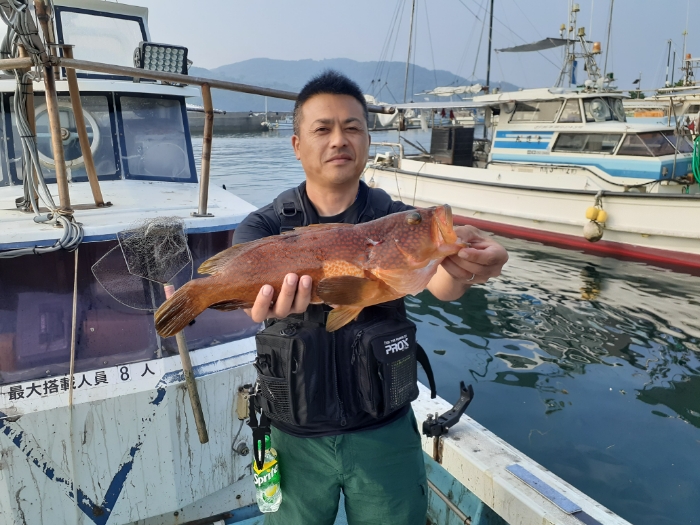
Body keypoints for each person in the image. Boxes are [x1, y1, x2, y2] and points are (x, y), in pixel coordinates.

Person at [233, 70, 508, 525]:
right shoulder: (264, 228)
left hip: (384, 433)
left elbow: (443, 284)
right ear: (297, 144)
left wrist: (470, 269)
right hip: (294, 435)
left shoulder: (396, 220)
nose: (339, 139)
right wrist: (256, 303)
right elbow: (249, 301)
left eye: (353, 127)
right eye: (322, 128)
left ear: (367, 137)